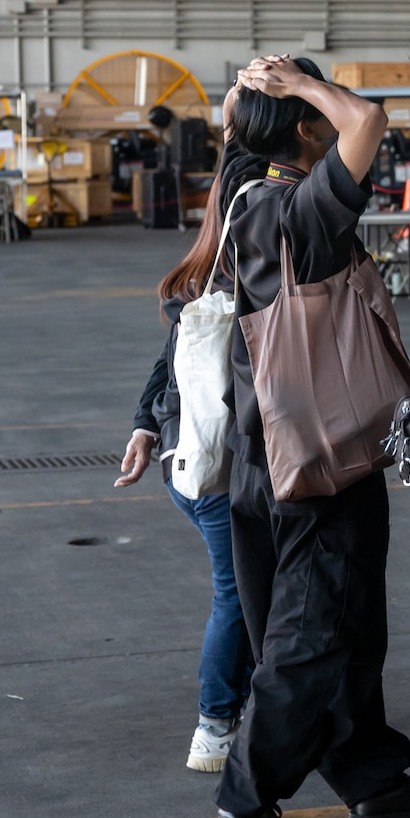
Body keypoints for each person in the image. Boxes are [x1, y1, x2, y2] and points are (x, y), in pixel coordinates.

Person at [211, 54, 410, 818]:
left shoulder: (240, 193)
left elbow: (243, 127)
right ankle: (245, 795)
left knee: (342, 628)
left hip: (262, 456)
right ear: (303, 127)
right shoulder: (302, 214)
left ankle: (372, 780)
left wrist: (256, 94)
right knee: (311, 638)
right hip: (321, 462)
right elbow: (370, 121)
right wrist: (304, 88)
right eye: (318, 112)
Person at [116, 139, 257, 773]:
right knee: (238, 595)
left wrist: (146, 425)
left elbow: (168, 359)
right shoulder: (249, 270)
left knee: (250, 590)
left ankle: (240, 708)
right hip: (217, 470)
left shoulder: (203, 270)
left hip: (183, 456)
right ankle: (215, 724)